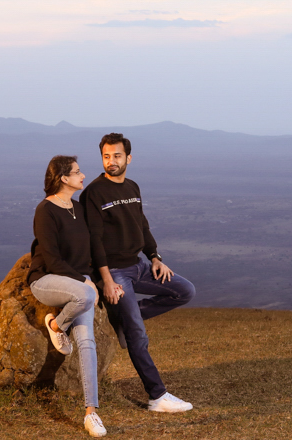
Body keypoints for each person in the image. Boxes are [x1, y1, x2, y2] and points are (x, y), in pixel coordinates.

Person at [81, 133, 195, 413]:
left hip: (140, 266)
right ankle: (157, 396)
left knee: (184, 290)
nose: (111, 162)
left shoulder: (132, 187)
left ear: (128, 158)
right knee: (138, 336)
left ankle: (124, 319)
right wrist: (106, 280)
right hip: (116, 272)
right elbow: (94, 240)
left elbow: (142, 226)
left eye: (117, 156)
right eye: (106, 156)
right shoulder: (94, 193)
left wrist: (155, 257)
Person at [28, 155, 108, 438]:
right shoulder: (45, 210)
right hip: (47, 280)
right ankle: (56, 325)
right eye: (77, 172)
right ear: (63, 178)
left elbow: (91, 249)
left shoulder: (77, 208)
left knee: (87, 342)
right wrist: (86, 281)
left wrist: (99, 279)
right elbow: (51, 260)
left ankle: (91, 413)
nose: (83, 175)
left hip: (78, 287)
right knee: (86, 295)